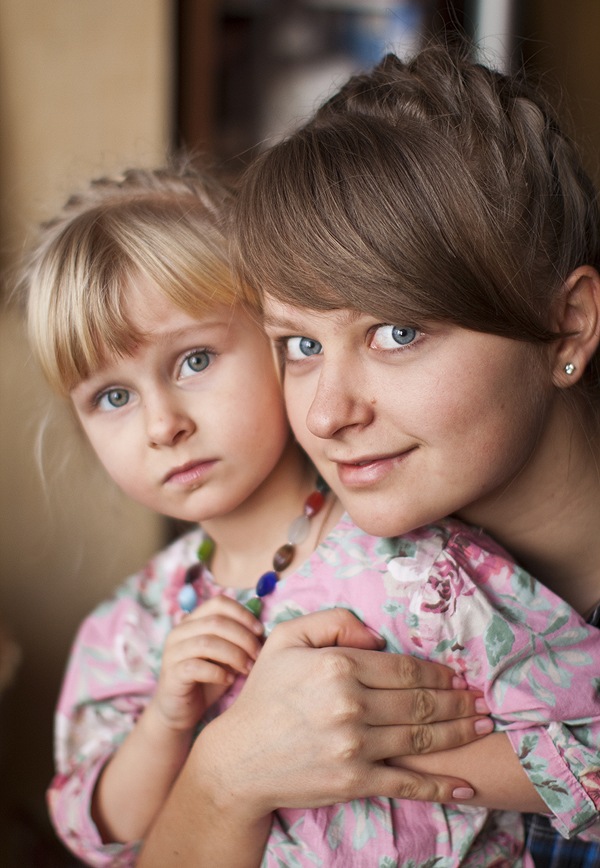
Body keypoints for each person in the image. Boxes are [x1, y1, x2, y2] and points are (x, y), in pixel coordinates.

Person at [16, 161, 497, 867]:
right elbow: (103, 834)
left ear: (282, 340)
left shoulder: (417, 557)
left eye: (194, 360)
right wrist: (167, 722)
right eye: (113, 398)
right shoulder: (126, 631)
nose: (163, 425)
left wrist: (379, 753)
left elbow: (571, 742)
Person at [226, 42, 600, 866]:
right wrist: (226, 775)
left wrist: (378, 763)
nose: (327, 414)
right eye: (300, 345)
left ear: (568, 326)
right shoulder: (326, 584)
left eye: (396, 332)